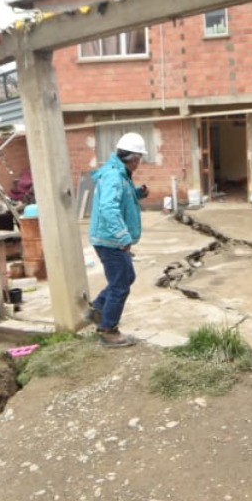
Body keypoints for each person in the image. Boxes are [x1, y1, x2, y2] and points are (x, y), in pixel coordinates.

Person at [85, 132, 149, 347]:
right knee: (121, 283)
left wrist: (138, 193)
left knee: (126, 276)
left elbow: (120, 197)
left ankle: (99, 308)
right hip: (110, 240)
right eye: (140, 157)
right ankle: (108, 330)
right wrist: (122, 236)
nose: (140, 162)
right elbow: (108, 208)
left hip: (109, 238)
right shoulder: (114, 175)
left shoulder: (119, 173)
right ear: (133, 158)